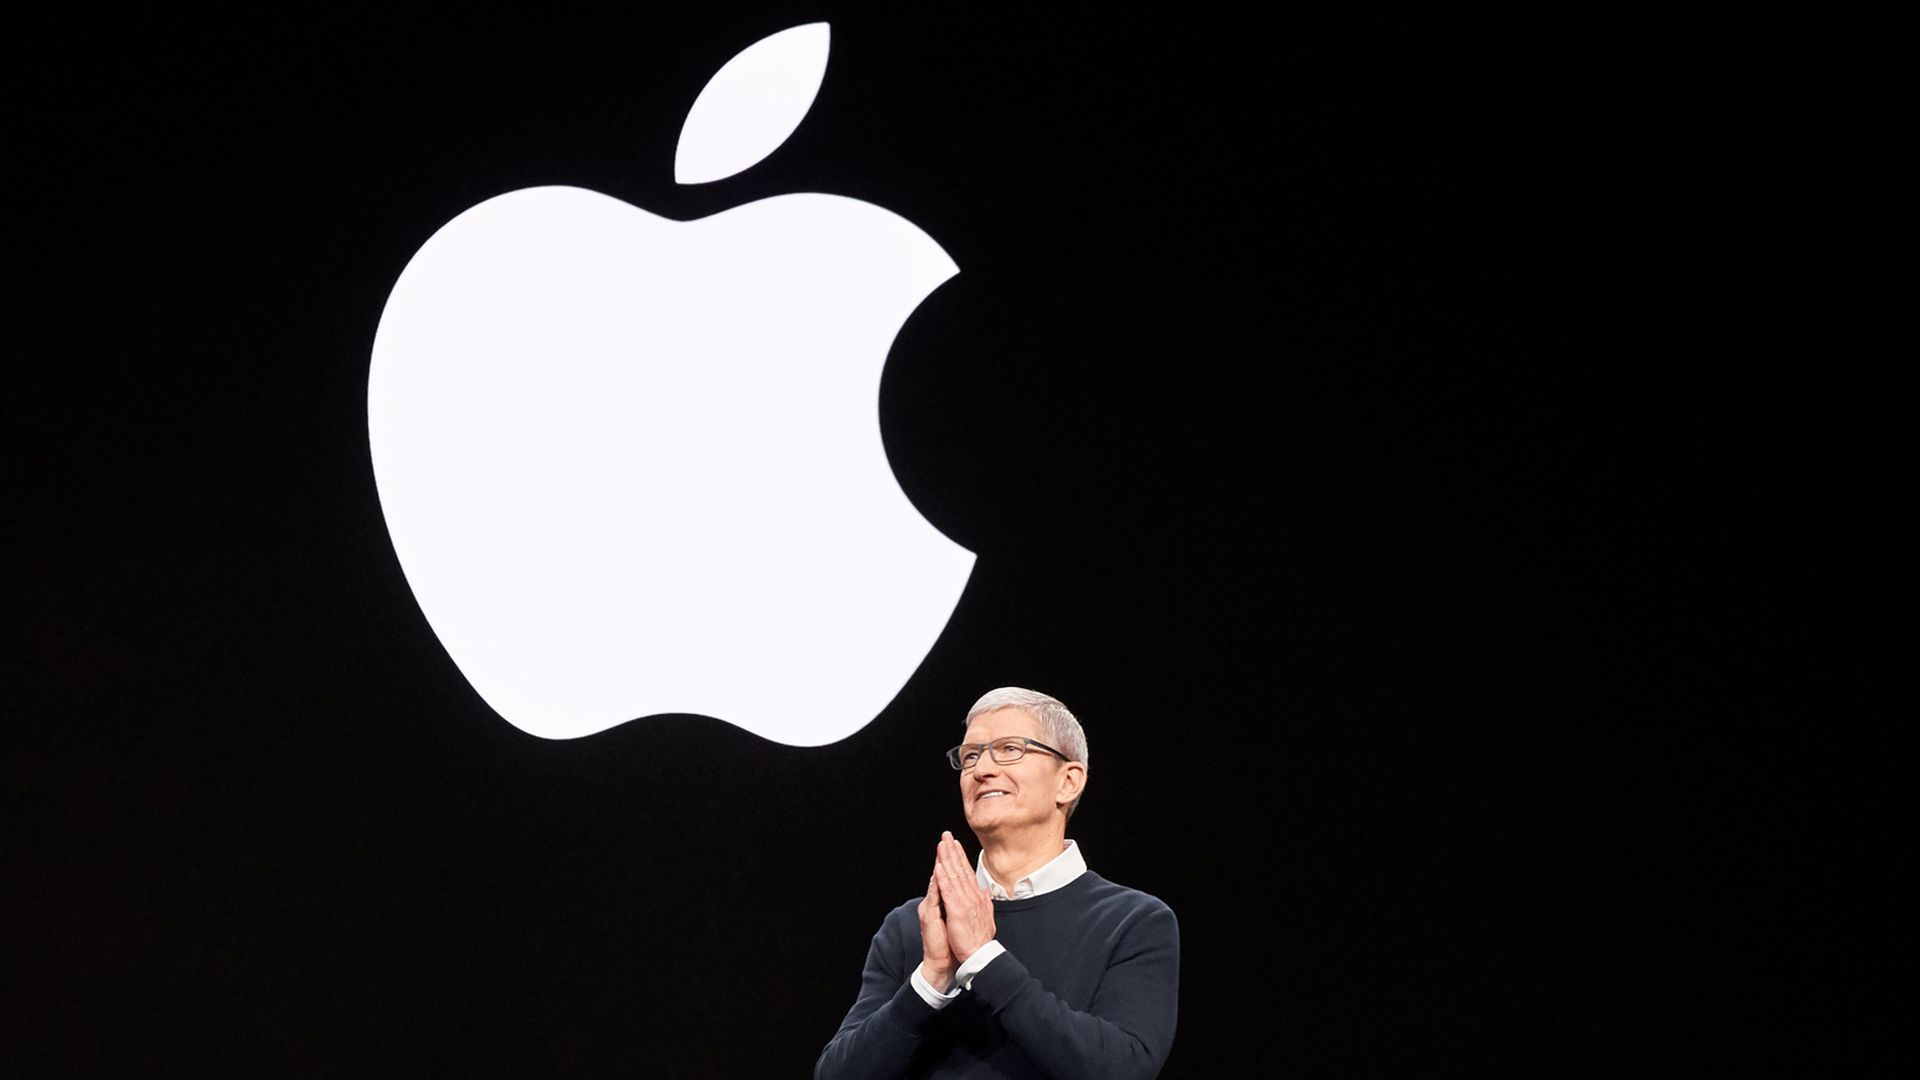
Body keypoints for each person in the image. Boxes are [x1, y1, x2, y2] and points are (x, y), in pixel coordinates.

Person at [814, 686, 1179, 1079]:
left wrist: (983, 959)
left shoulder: (1135, 921)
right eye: (971, 755)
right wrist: (932, 979)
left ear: (1068, 781)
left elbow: (1122, 1069)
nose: (982, 769)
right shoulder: (915, 925)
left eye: (1010, 749)